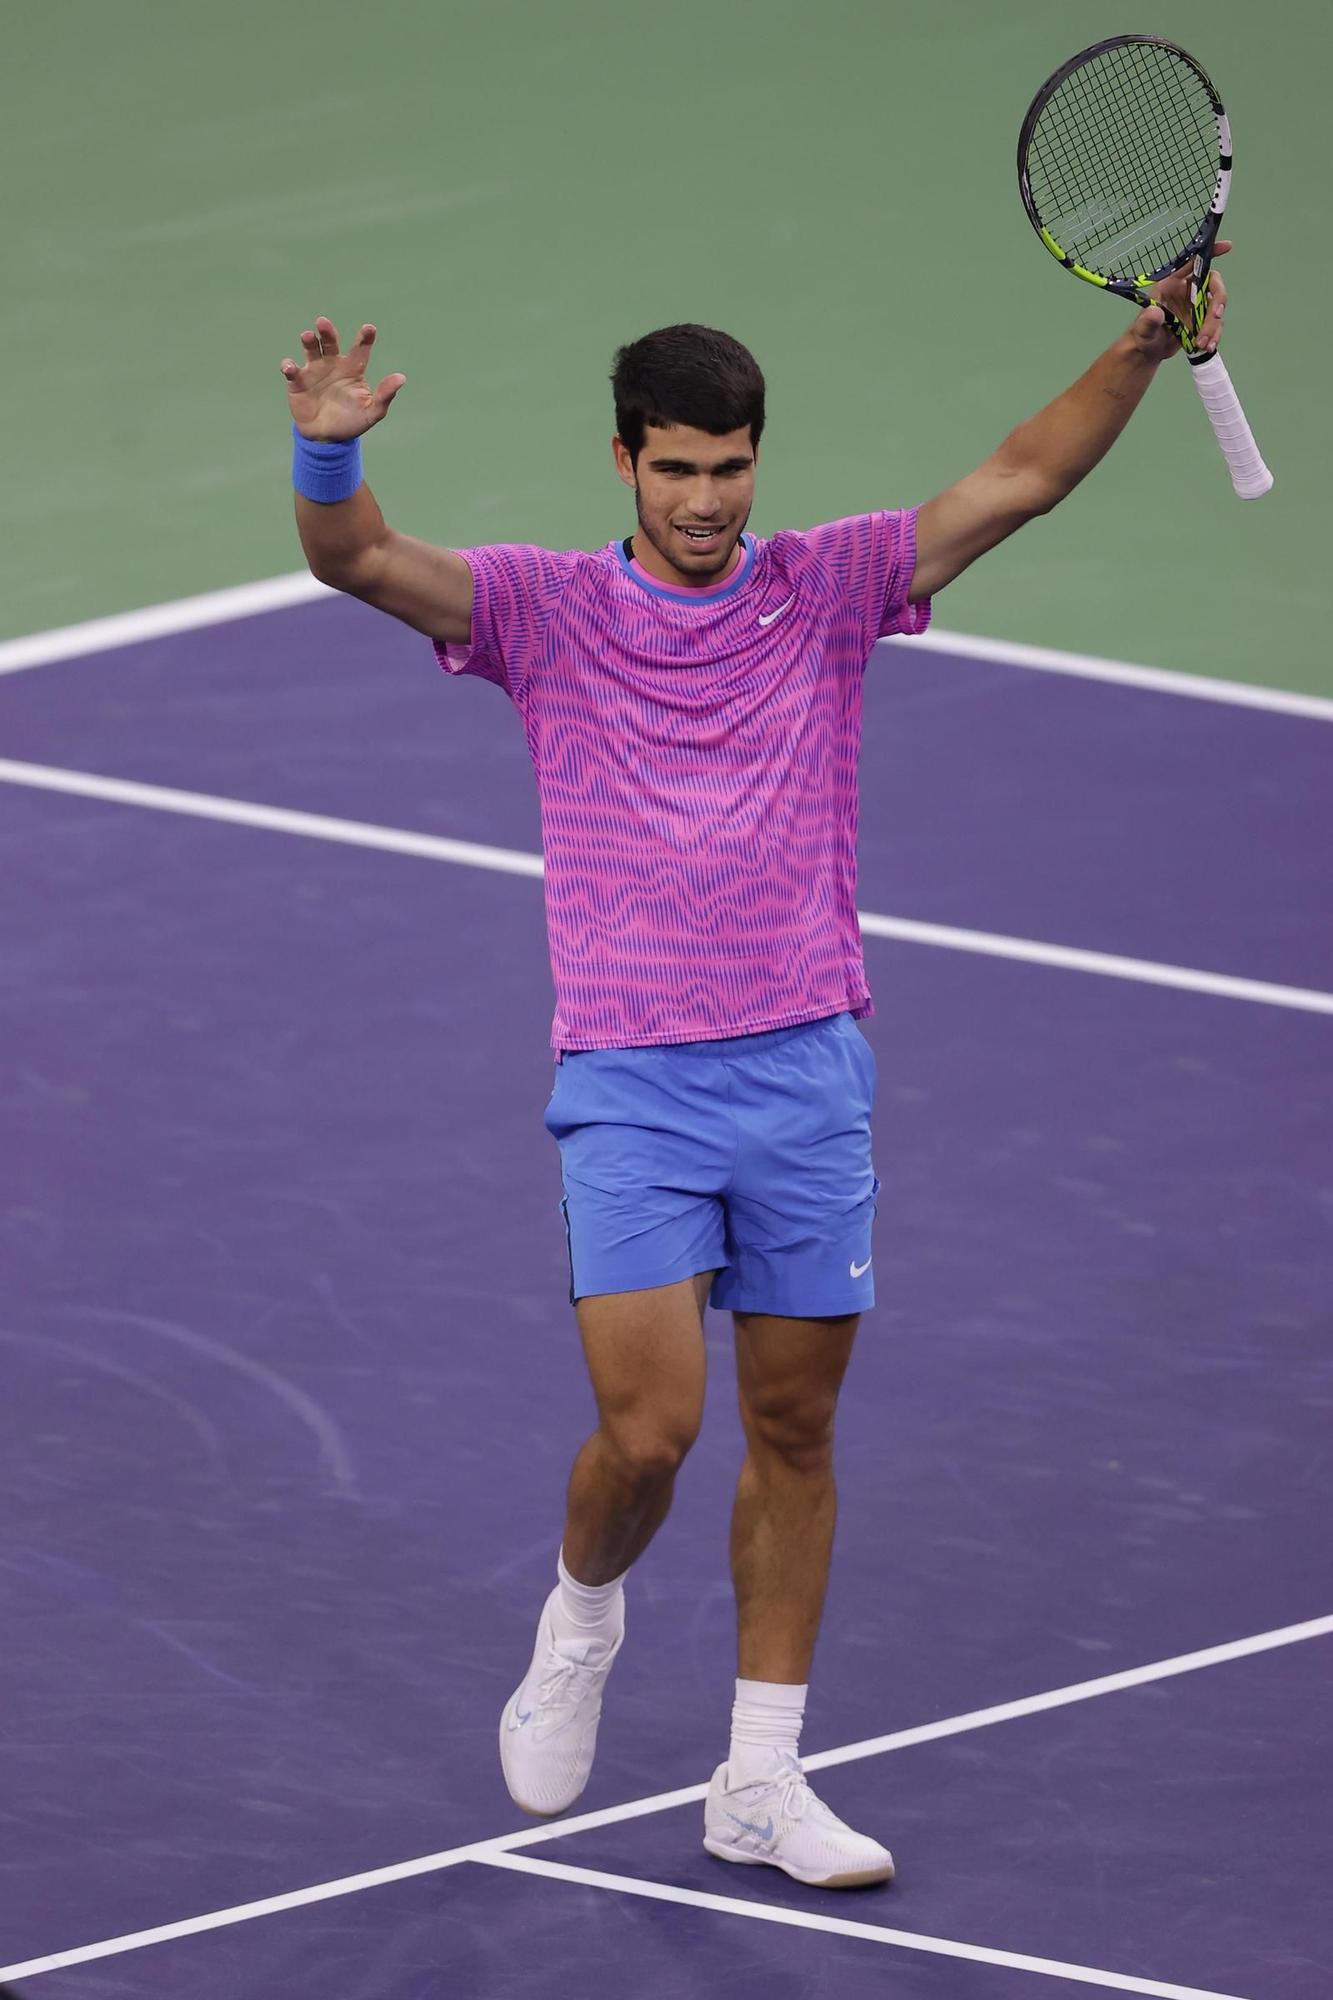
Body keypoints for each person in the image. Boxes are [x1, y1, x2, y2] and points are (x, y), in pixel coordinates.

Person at [280, 251, 1229, 1889]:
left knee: (792, 1433)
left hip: (804, 1073)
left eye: (730, 469)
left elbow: (1020, 477)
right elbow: (353, 558)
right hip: (635, 1086)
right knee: (648, 1433)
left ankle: (759, 1782)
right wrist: (328, 447)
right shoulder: (543, 610)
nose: (707, 501)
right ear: (625, 463)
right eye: (678, 469)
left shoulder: (833, 586)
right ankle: (581, 1617)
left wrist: (1138, 350)